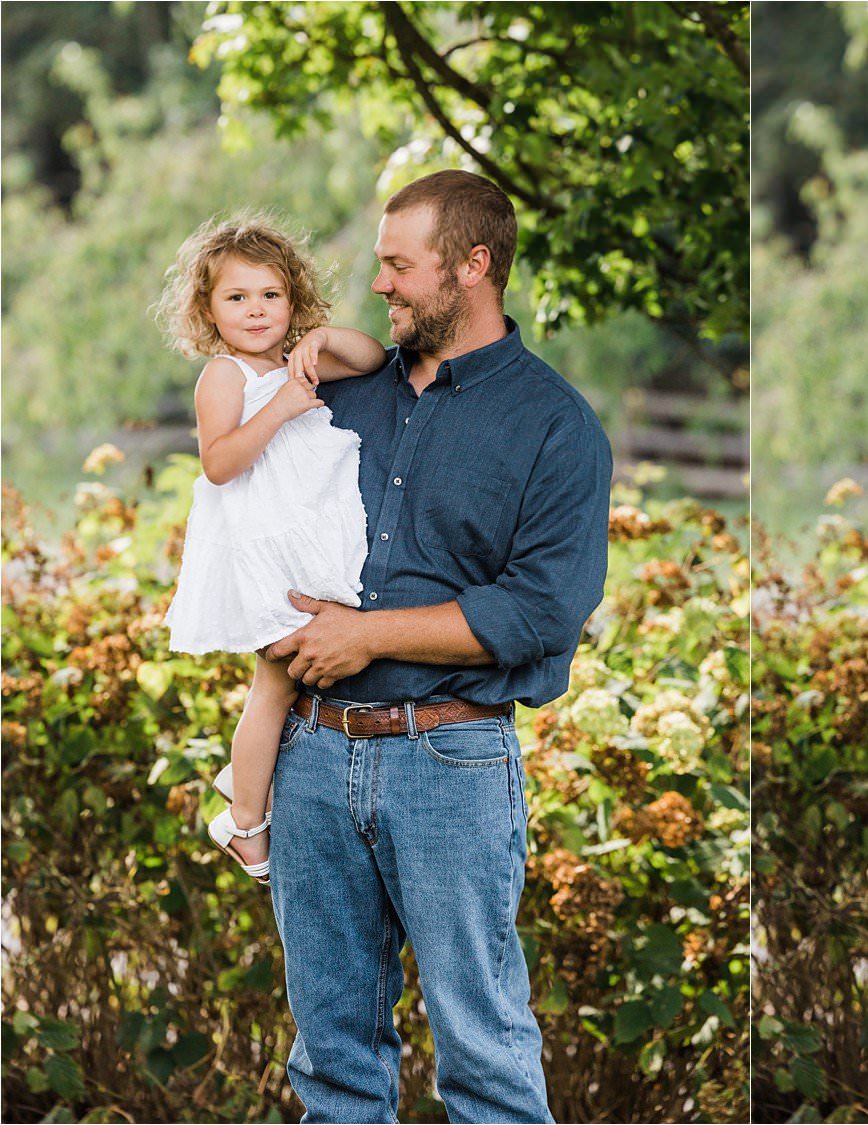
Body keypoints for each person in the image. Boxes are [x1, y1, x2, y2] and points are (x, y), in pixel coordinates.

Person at [259, 170, 611, 1124]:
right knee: (331, 1057)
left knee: (484, 1053)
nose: (381, 285)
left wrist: (364, 635)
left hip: (449, 761)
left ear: (472, 266)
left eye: (399, 267)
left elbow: (541, 610)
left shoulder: (555, 427)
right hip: (312, 753)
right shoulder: (346, 394)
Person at [156, 216, 387, 884]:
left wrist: (320, 340)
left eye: (270, 295)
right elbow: (220, 463)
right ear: (207, 310)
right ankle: (245, 821)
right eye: (236, 297)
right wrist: (283, 407)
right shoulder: (224, 376)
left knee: (302, 676)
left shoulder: (296, 362)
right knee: (276, 680)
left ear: (293, 301)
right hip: (266, 549)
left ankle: (242, 778)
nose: (255, 309)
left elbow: (371, 357)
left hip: (309, 540)